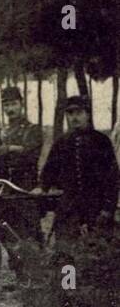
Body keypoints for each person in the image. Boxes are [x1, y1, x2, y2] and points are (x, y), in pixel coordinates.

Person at [39, 95, 119, 242]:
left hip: (96, 211)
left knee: (94, 257)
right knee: (66, 258)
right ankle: (67, 266)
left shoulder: (101, 141)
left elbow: (113, 178)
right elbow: (49, 172)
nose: (74, 117)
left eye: (79, 113)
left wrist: (108, 209)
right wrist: (43, 188)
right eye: (70, 113)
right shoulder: (61, 142)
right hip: (68, 212)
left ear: (87, 114)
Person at [0, 86, 45, 246]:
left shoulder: (33, 130)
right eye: (6, 105)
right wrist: (9, 148)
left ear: (21, 104)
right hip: (4, 191)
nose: (10, 109)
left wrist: (1, 150)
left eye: (13, 104)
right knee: (2, 230)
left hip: (25, 190)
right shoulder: (1, 132)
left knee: (30, 235)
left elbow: (29, 156)